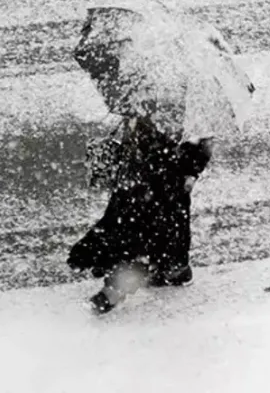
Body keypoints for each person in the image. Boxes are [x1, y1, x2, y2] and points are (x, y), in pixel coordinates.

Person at [68, 113, 212, 314]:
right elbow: (200, 143)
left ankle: (119, 287)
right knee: (151, 230)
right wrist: (191, 171)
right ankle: (167, 269)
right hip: (154, 177)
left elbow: (199, 141)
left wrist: (190, 170)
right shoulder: (178, 113)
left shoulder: (150, 107)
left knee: (139, 230)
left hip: (150, 177)